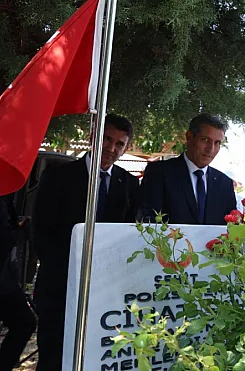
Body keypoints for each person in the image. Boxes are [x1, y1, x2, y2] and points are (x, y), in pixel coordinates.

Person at [33, 114, 140, 371]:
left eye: (119, 144)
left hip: (105, 293)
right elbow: (41, 234)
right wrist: (73, 275)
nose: (111, 149)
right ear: (94, 136)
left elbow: (127, 236)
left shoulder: (128, 184)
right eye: (107, 139)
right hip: (60, 289)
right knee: (54, 356)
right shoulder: (58, 177)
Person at [137, 114, 237, 225]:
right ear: (189, 137)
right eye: (205, 140)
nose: (211, 149)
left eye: (217, 143)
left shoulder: (225, 184)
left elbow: (230, 230)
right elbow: (147, 222)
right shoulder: (160, 173)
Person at [0, 194, 36, 371]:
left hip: (6, 279)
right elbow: (4, 237)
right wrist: (22, 230)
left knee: (24, 322)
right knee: (24, 322)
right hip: (3, 281)